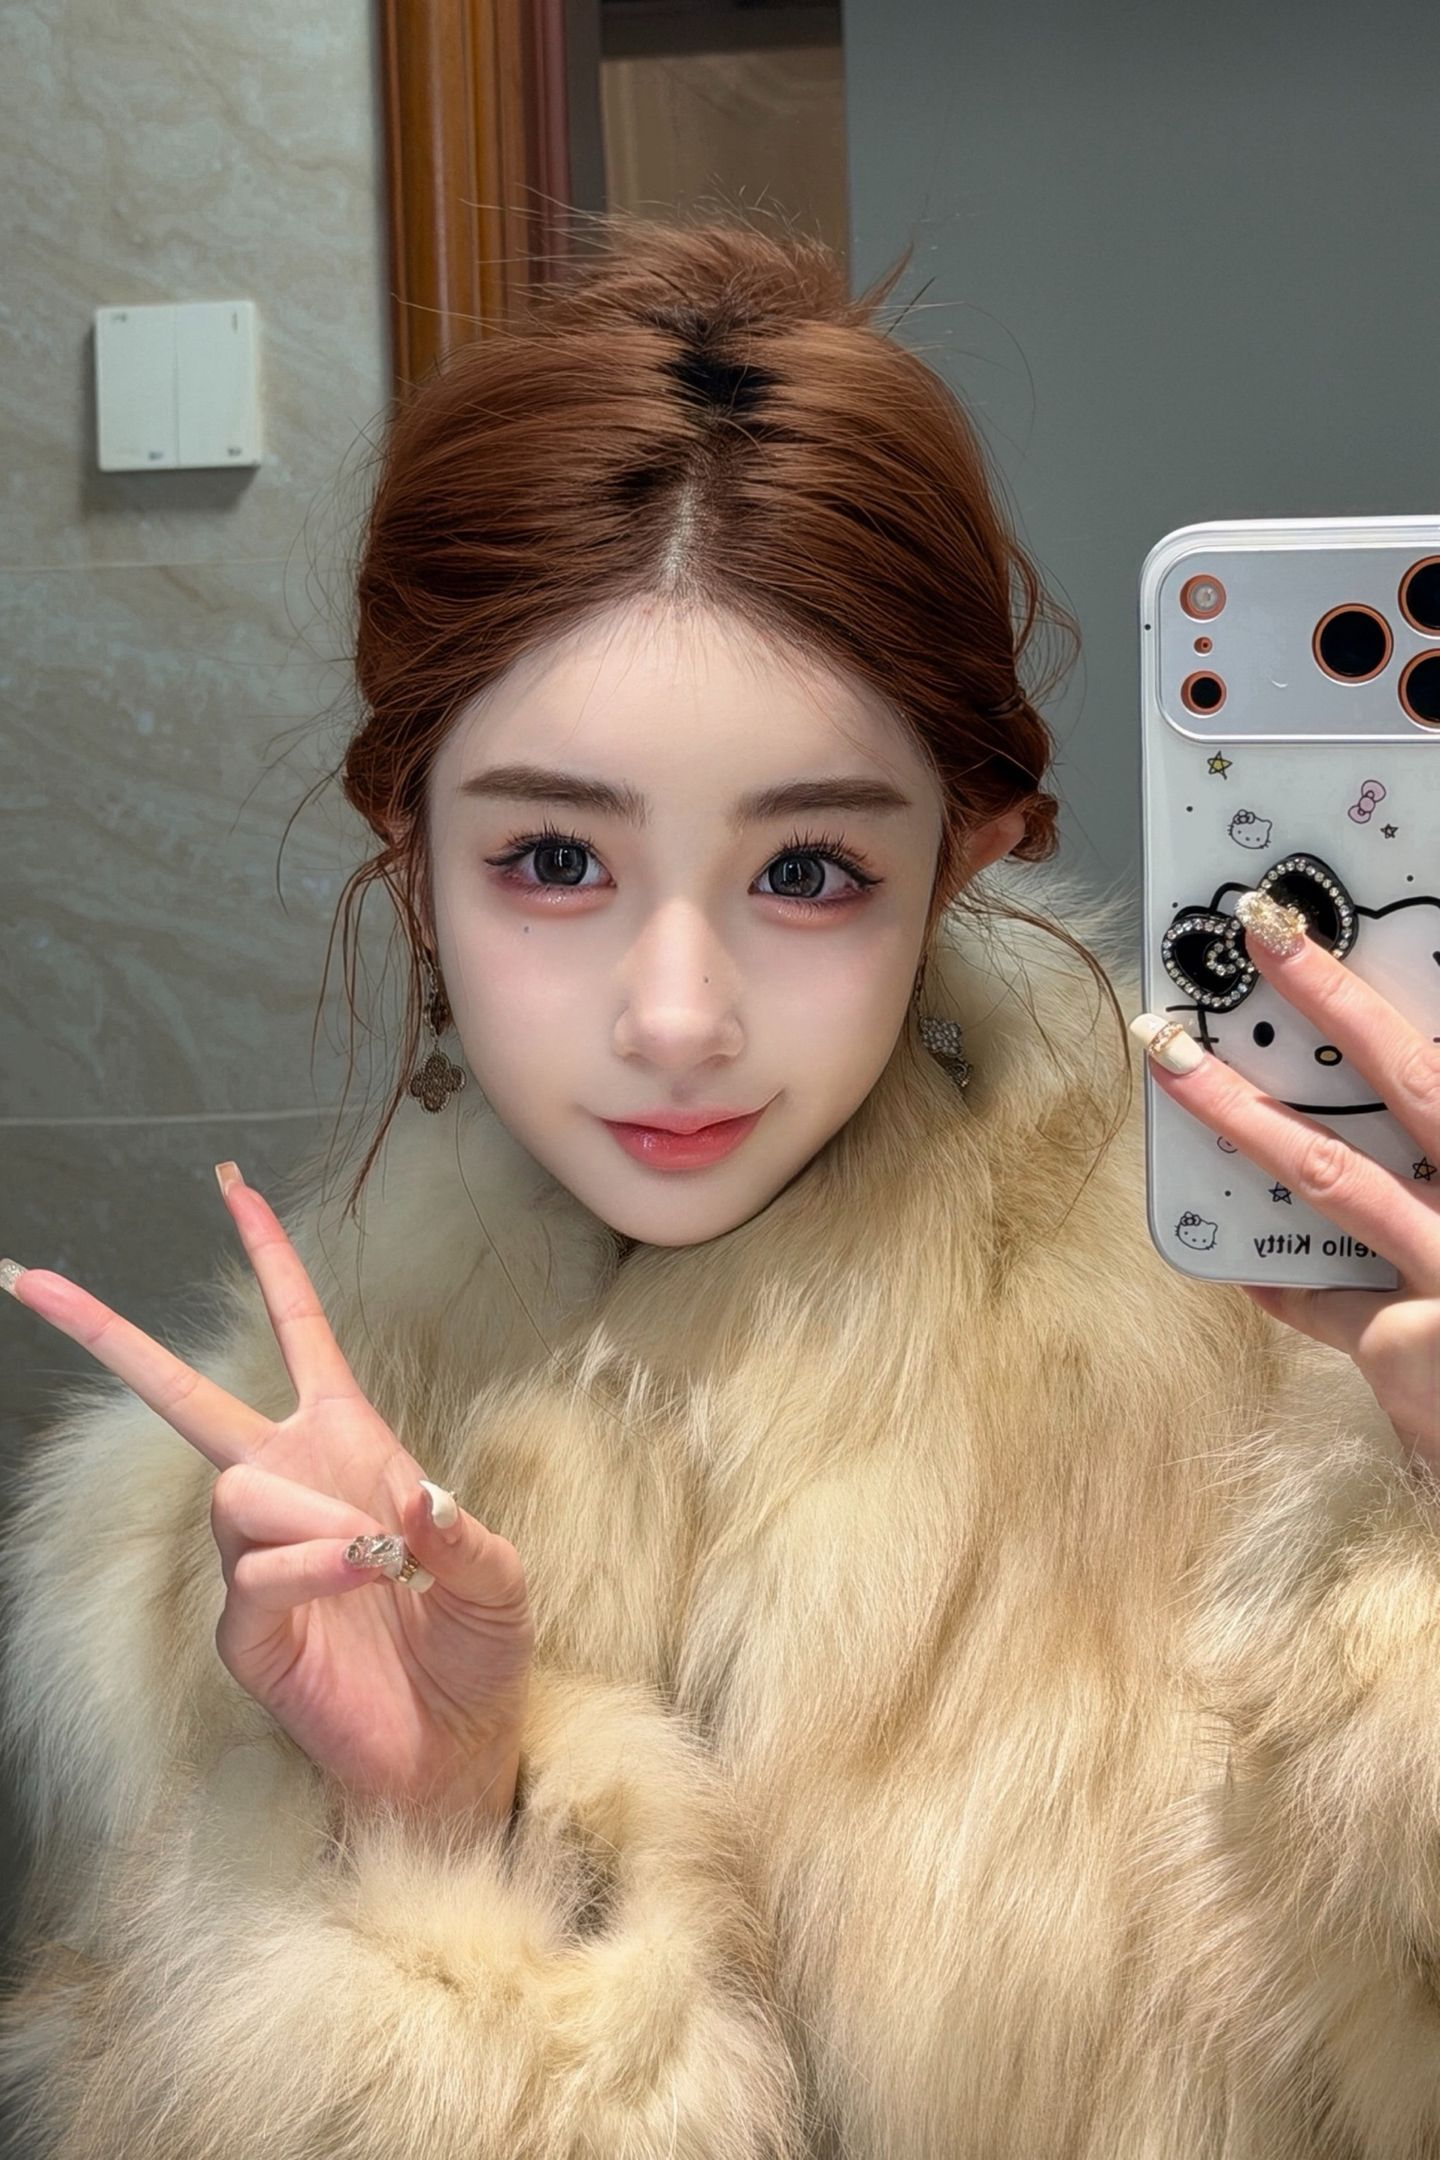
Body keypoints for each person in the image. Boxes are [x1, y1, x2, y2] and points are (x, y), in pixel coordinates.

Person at [0, 212, 1436, 2160]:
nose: (676, 1018)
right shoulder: (214, 1558)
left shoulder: (1284, 1412)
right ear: (409, 844)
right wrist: (432, 1841)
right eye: (555, 862)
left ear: (967, 854)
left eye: (809, 871)